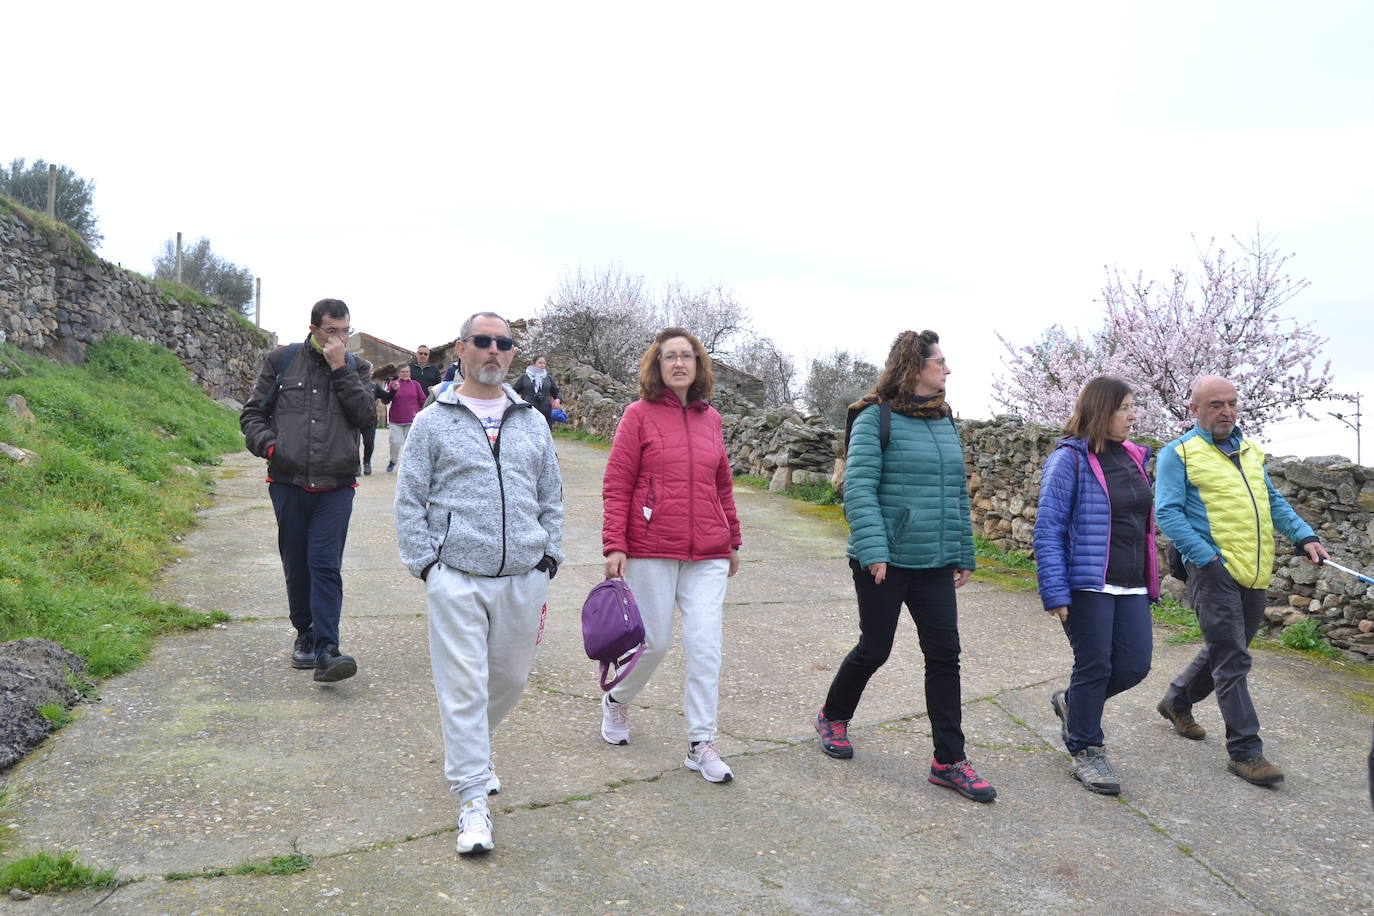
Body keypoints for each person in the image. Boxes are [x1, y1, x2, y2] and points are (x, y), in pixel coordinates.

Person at [395, 311, 563, 857]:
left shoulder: (531, 421)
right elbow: (409, 498)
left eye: (504, 343)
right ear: (462, 349)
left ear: (513, 353)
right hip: (457, 578)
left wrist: (548, 557)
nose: (494, 350)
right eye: (483, 342)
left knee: (510, 681)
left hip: (522, 577)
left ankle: (473, 747)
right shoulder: (433, 420)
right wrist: (427, 566)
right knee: (464, 689)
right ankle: (472, 800)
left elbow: (551, 495)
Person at [814, 330, 996, 803]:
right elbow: (858, 487)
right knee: (875, 648)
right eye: (940, 362)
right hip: (886, 560)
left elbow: (956, 491)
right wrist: (874, 550)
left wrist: (963, 550)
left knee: (944, 656)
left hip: (934, 560)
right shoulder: (876, 417)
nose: (947, 370)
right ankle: (833, 715)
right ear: (916, 368)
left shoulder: (943, 420)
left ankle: (948, 760)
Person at [1154, 374, 1328, 786]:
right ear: (1195, 410)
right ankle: (1246, 751)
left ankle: (1177, 700)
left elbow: (1272, 500)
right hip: (1213, 571)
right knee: (1232, 658)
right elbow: (1168, 513)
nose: (1226, 411)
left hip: (1255, 568)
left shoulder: (1250, 450)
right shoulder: (1177, 454)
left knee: (1228, 647)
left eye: (1231, 403)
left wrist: (1305, 536)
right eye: (1216, 404)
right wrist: (1207, 559)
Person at [600, 327, 742, 784]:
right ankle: (617, 700)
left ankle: (701, 743)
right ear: (656, 367)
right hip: (651, 546)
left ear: (698, 365)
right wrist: (615, 543)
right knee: (654, 644)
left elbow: (722, 485)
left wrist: (732, 539)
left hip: (708, 552)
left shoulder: (712, 419)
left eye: (687, 356)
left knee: (705, 648)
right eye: (669, 357)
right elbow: (617, 483)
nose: (679, 364)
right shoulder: (638, 416)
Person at [1033, 376, 1157, 795]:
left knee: (1134, 665)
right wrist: (1054, 589)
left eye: (1132, 406)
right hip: (1087, 582)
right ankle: (1086, 747)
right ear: (1102, 411)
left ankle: (1073, 704)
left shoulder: (1134, 457)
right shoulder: (1069, 459)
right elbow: (1048, 528)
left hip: (1131, 582)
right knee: (1095, 665)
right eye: (1125, 407)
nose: (1133, 414)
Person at [240, 298, 374, 682]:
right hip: (288, 482)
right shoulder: (282, 361)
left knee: (325, 564)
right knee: (297, 564)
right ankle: (305, 633)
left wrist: (339, 369)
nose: (340, 338)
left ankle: (328, 649)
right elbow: (252, 414)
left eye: (345, 330)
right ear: (313, 328)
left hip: (336, 486)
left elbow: (366, 416)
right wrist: (271, 447)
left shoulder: (356, 367)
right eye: (332, 330)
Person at [383, 364, 427, 472]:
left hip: (412, 419)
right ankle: (393, 461)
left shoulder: (415, 384)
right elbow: (385, 400)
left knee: (411, 444)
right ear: (398, 373)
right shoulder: (393, 384)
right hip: (395, 419)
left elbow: (423, 400)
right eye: (403, 372)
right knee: (395, 442)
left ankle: (410, 464)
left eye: (407, 371)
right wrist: (392, 390)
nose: (405, 373)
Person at [512, 356, 563, 427]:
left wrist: (558, 399)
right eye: (540, 363)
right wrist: (519, 400)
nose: (542, 365)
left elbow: (556, 392)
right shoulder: (524, 378)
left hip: (545, 412)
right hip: (528, 412)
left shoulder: (547, 378)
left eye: (544, 363)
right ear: (533, 364)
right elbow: (513, 392)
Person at [358, 379, 385, 476]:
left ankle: (367, 462)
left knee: (369, 442)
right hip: (354, 418)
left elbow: (386, 396)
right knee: (354, 444)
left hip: (370, 419)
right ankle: (356, 464)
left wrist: (394, 390)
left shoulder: (374, 386)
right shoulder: (352, 383)